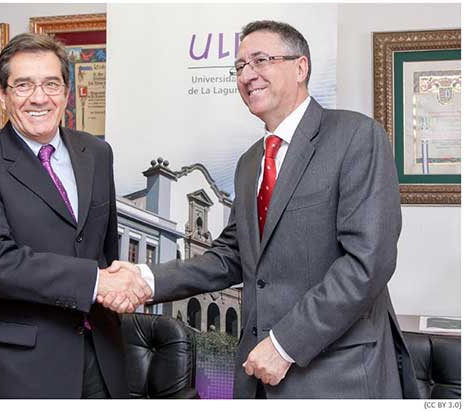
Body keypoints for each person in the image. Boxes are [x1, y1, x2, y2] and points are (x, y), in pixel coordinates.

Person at [102, 20, 419, 399]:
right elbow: (230, 256)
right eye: (240, 66)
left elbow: (368, 262)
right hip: (257, 378)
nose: (246, 75)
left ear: (300, 67)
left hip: (338, 376)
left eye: (261, 60)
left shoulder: (355, 136)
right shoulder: (250, 162)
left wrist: (285, 344)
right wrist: (145, 277)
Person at [0, 33, 150, 399]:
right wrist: (96, 282)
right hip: (24, 368)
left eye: (51, 84)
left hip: (102, 356)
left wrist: (115, 285)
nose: (39, 98)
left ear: (67, 93)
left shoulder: (97, 153)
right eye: (23, 85)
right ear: (2, 94)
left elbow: (104, 251)